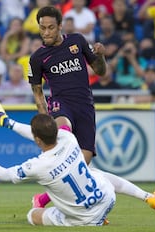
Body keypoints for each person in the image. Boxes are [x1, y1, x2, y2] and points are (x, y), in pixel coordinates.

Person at [0, 101, 155, 226]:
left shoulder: (37, 166)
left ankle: (94, 219)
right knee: (95, 173)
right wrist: (7, 122)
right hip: (108, 199)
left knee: (33, 215)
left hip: (85, 220)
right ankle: (148, 197)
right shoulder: (69, 138)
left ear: (38, 140)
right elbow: (39, 134)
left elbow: (2, 174)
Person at [29, 6, 106, 165]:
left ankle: (56, 184)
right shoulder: (37, 58)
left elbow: (100, 71)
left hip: (85, 105)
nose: (46, 32)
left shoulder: (77, 40)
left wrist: (101, 56)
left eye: (50, 28)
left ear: (59, 26)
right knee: (63, 129)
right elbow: (37, 92)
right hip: (60, 103)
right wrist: (44, 119)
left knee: (82, 164)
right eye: (42, 28)